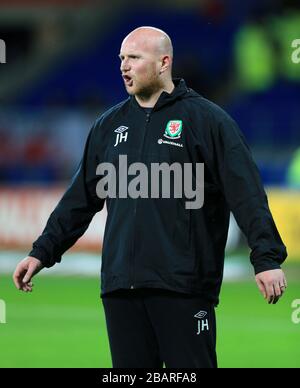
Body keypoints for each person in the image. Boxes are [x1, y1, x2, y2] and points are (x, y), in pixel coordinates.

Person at [13, 26, 288, 368]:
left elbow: (246, 194)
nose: (123, 66)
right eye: (121, 59)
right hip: (120, 289)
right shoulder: (108, 126)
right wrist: (42, 252)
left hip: (183, 288)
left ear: (163, 63)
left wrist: (267, 259)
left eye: (134, 58)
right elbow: (79, 200)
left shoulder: (208, 121)